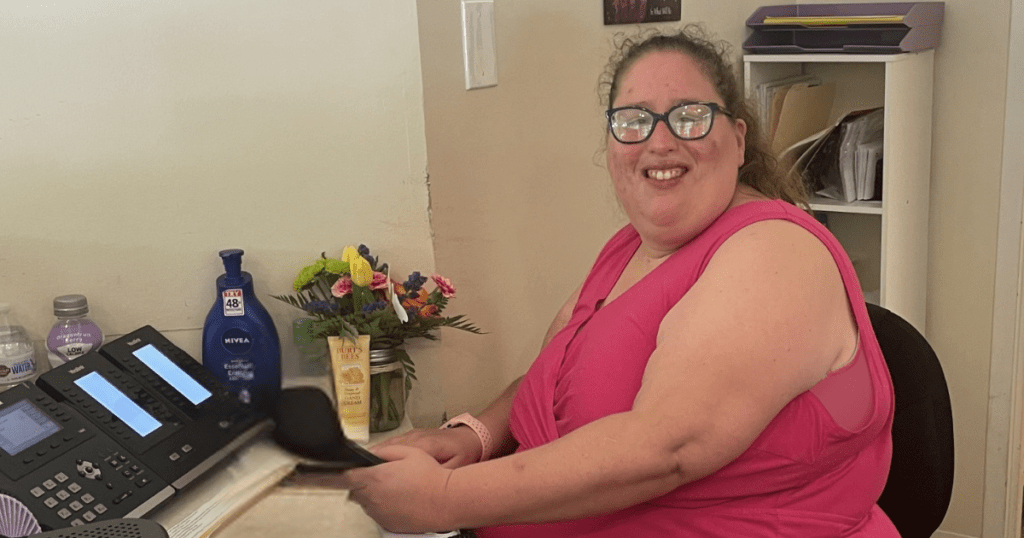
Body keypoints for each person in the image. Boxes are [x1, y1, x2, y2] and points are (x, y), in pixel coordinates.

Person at [337, 24, 898, 537]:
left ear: (738, 138)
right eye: (633, 122)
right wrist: (473, 435)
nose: (659, 142)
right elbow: (548, 374)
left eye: (689, 116)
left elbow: (668, 446)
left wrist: (444, 499)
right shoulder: (630, 248)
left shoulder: (776, 253)